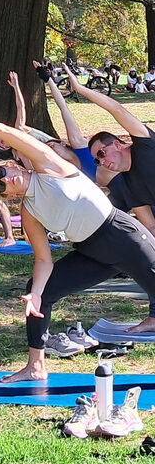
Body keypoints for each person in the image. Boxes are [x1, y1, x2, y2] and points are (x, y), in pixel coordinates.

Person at [0, 110, 155, 382]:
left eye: (3, 172)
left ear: (14, 164)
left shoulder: (49, 167)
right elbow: (43, 260)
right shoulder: (29, 212)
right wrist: (36, 294)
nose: (5, 179)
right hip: (92, 252)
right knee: (39, 291)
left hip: (123, 237)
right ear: (6, 195)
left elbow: (4, 129)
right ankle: (36, 365)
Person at [64, 62, 155, 331]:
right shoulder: (129, 186)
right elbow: (149, 225)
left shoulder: (143, 144)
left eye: (102, 154)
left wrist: (80, 89)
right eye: (96, 160)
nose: (102, 162)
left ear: (117, 144)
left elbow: (116, 109)